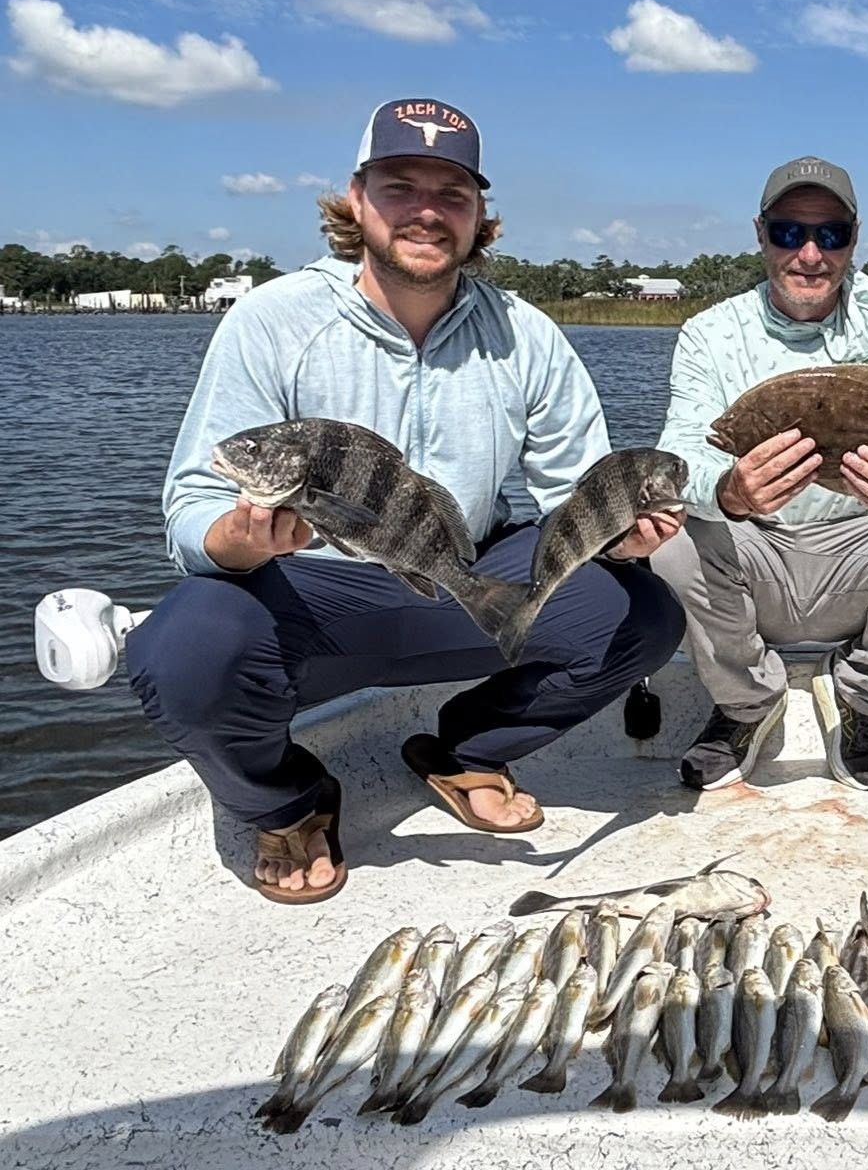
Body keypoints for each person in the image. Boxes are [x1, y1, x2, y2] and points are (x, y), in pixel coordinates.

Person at [126, 97, 685, 905]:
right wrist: (240, 540)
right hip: (308, 592)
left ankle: (468, 749)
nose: (427, 211)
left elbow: (578, 494)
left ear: (479, 215)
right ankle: (286, 800)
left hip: (460, 576)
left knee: (643, 615)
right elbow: (189, 507)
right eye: (400, 187)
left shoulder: (526, 333)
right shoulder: (272, 319)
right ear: (356, 200)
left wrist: (623, 536)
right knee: (180, 650)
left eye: (452, 194)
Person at [651, 155, 868, 794]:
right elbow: (681, 454)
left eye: (832, 234)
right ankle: (747, 704)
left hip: (862, 548)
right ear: (761, 234)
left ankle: (863, 700)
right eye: (790, 232)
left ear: (854, 238)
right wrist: (729, 490)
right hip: (756, 549)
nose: (811, 254)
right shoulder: (710, 333)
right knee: (673, 540)